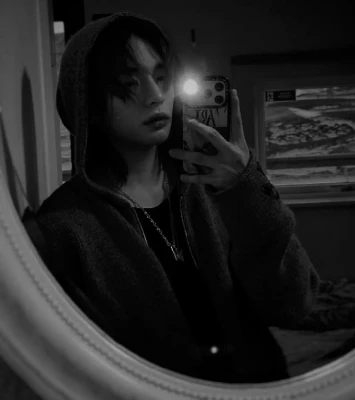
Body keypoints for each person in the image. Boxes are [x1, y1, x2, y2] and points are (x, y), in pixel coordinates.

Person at [32, 12, 320, 383]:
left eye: (162, 77)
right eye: (128, 84)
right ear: (89, 105)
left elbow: (294, 305)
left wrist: (246, 189)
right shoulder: (64, 226)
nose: (155, 96)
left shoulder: (216, 185)